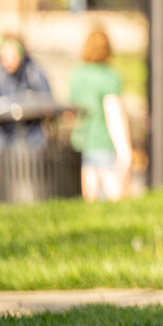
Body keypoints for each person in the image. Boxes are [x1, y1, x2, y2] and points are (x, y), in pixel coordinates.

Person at [65, 27, 132, 202]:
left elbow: (70, 113)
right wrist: (124, 150)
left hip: (82, 142)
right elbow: (113, 114)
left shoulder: (77, 75)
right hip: (103, 141)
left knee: (90, 200)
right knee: (116, 199)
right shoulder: (109, 77)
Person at [0, 34, 56, 151]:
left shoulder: (33, 74)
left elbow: (48, 103)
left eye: (13, 56)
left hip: (33, 139)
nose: (8, 62)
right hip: (5, 140)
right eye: (4, 57)